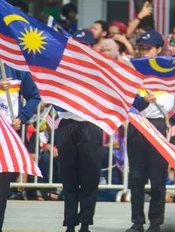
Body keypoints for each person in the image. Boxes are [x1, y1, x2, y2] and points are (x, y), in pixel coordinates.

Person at [127, 30, 175, 232]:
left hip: (158, 124)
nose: (144, 52)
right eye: (141, 48)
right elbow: (126, 101)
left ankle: (156, 223)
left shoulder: (169, 72)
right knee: (137, 177)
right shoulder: (133, 70)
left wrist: (174, 119)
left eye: (148, 48)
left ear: (159, 49)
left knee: (158, 178)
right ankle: (137, 222)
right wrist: (142, 101)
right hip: (138, 123)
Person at [54, 29, 104, 232]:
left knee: (90, 178)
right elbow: (54, 100)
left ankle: (85, 223)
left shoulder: (99, 71)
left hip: (90, 125)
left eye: (85, 45)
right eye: (77, 45)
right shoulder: (62, 69)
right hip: (67, 124)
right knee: (69, 177)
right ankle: (70, 223)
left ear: (91, 47)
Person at [0, 62, 41, 231]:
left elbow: (34, 96)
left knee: (2, 189)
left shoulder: (17, 68)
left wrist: (21, 117)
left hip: (8, 137)